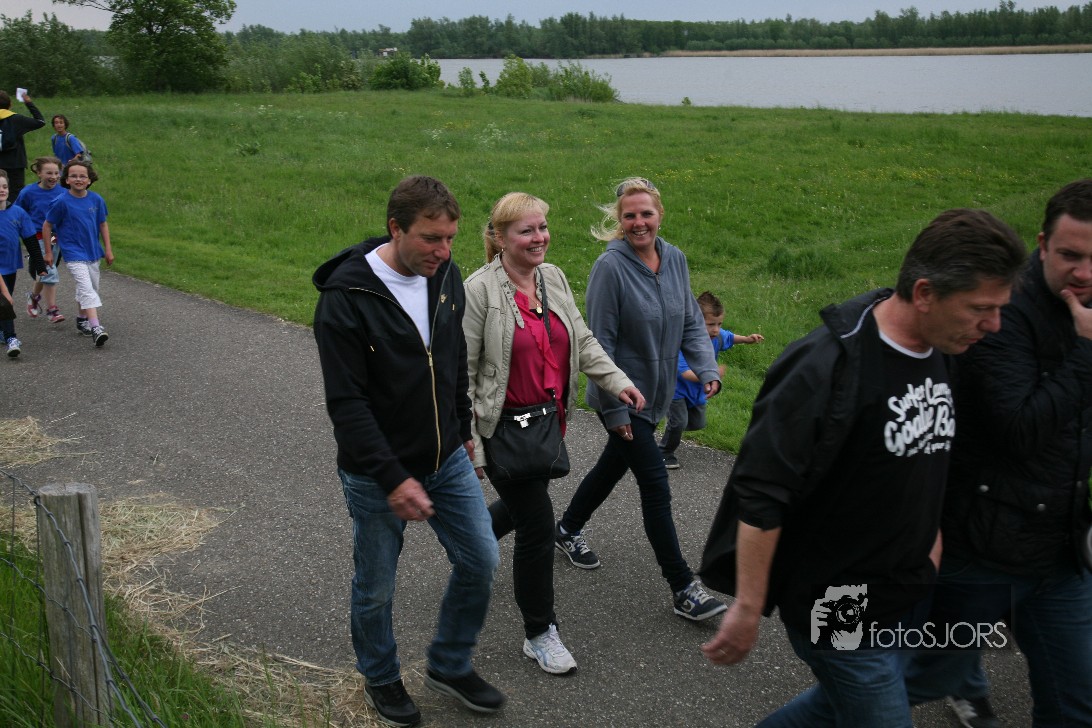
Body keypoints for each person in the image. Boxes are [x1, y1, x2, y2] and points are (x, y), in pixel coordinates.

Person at [699, 208, 1027, 728]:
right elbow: (762, 493)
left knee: (853, 703)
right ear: (925, 294)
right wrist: (747, 606)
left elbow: (931, 457)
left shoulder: (944, 347)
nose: (994, 325)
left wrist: (934, 543)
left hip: (911, 585)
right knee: (877, 712)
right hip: (837, 599)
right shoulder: (824, 367)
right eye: (980, 309)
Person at [312, 176, 504, 728]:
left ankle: (448, 663)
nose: (443, 251)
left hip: (446, 457)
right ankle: (380, 676)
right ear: (395, 228)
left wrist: (462, 430)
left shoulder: (444, 275)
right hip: (377, 474)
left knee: (482, 559)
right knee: (376, 586)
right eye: (430, 238)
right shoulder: (346, 300)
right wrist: (394, 478)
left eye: (450, 239)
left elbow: (451, 357)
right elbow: (347, 405)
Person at [903, 180, 1092, 728]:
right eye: (1070, 255)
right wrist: (1087, 354)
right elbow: (1018, 429)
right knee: (908, 680)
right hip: (982, 547)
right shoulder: (1000, 314)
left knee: (1078, 703)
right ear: (1043, 244)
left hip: (1059, 546)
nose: (1084, 272)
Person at [463, 192, 646, 675]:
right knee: (538, 524)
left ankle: (470, 543)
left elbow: (581, 339)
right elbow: (461, 374)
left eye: (542, 227)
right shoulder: (479, 291)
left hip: (547, 422)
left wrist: (618, 382)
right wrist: (472, 445)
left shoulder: (553, 277)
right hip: (502, 428)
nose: (539, 237)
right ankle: (540, 633)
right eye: (526, 230)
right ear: (500, 237)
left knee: (525, 507)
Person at [554, 177, 727, 622]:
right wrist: (613, 408)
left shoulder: (675, 259)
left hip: (658, 395)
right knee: (655, 485)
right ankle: (683, 587)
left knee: (612, 467)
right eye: (629, 215)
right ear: (620, 220)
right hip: (623, 398)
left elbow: (691, 322)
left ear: (659, 215)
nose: (638, 222)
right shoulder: (610, 268)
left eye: (646, 213)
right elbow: (599, 344)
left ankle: (566, 528)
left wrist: (707, 368)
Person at [660, 290, 764, 470]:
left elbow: (730, 337)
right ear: (695, 322)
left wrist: (747, 339)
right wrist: (711, 374)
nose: (715, 329)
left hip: (697, 391)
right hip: (676, 390)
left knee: (697, 423)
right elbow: (684, 373)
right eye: (710, 324)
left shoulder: (717, 336)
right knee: (679, 423)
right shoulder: (683, 340)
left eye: (719, 324)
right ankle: (663, 453)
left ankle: (671, 424)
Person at [41, 160, 113, 347]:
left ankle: (82, 320)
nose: (78, 179)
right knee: (86, 288)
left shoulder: (96, 200)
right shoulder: (61, 202)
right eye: (73, 176)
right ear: (67, 180)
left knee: (91, 287)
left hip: (93, 251)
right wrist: (48, 252)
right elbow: (47, 226)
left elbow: (103, 224)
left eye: (82, 176)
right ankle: (96, 327)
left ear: (89, 180)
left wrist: (108, 249)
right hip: (73, 253)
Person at [0, 169, 47, 358]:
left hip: (9, 266)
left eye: (4, 186)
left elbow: (31, 241)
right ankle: (11, 338)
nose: (2, 190)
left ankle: (3, 330)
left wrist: (40, 266)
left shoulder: (18, 213)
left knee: (5, 299)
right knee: (5, 301)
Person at [15, 156, 67, 323]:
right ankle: (52, 310)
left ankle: (33, 296)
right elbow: (17, 213)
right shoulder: (28, 192)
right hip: (35, 236)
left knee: (44, 271)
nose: (53, 177)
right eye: (49, 173)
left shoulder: (63, 192)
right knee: (49, 271)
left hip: (55, 237)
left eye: (56, 173)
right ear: (38, 173)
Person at [0, 90, 45, 202]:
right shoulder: (16, 119)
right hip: (15, 163)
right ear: (10, 105)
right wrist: (28, 103)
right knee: (15, 194)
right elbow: (40, 121)